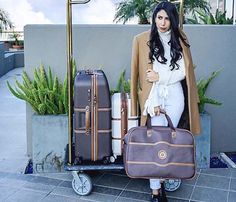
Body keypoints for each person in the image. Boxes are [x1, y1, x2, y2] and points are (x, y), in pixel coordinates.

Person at [130, 1, 201, 202]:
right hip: (154, 98)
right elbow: (137, 75)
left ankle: (160, 182)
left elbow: (183, 72)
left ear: (173, 20)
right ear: (154, 18)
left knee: (168, 141)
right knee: (155, 142)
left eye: (167, 18)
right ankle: (155, 191)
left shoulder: (181, 39)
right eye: (159, 17)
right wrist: (145, 101)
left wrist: (160, 77)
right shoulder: (142, 39)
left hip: (176, 97)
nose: (162, 22)